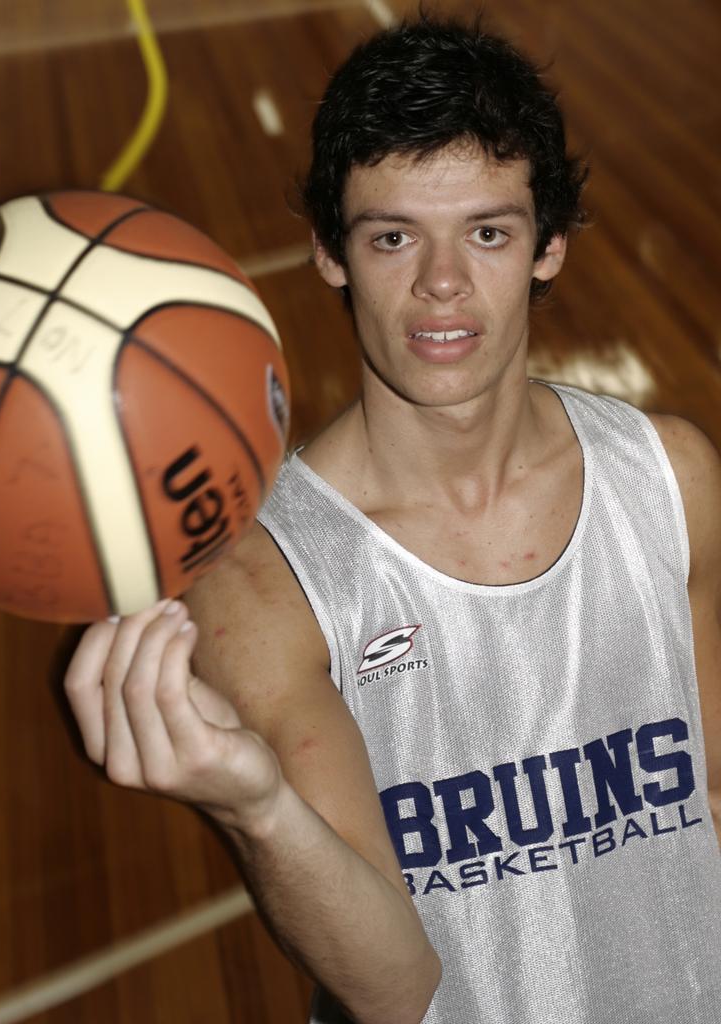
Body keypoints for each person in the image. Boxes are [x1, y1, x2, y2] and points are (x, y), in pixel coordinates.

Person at [65, 15, 721, 1023]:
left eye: (489, 232)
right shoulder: (264, 584)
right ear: (330, 253)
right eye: (394, 236)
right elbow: (394, 986)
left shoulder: (673, 479)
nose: (442, 284)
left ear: (549, 247)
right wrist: (257, 807)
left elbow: (711, 801)